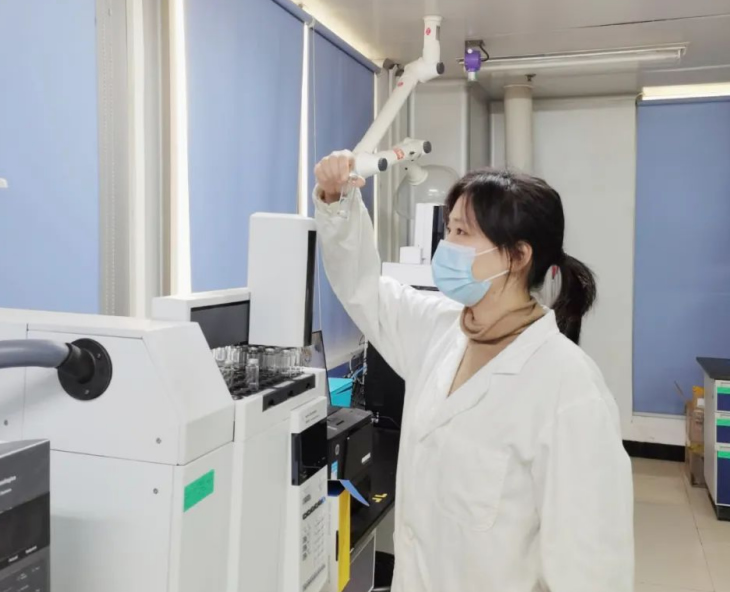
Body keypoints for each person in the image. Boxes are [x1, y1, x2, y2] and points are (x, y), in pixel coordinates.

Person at [313, 152, 634, 592]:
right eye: (449, 229)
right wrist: (337, 200)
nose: (446, 245)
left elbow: (592, 567)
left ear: (517, 256)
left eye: (462, 232)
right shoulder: (440, 329)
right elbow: (364, 290)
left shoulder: (569, 388)